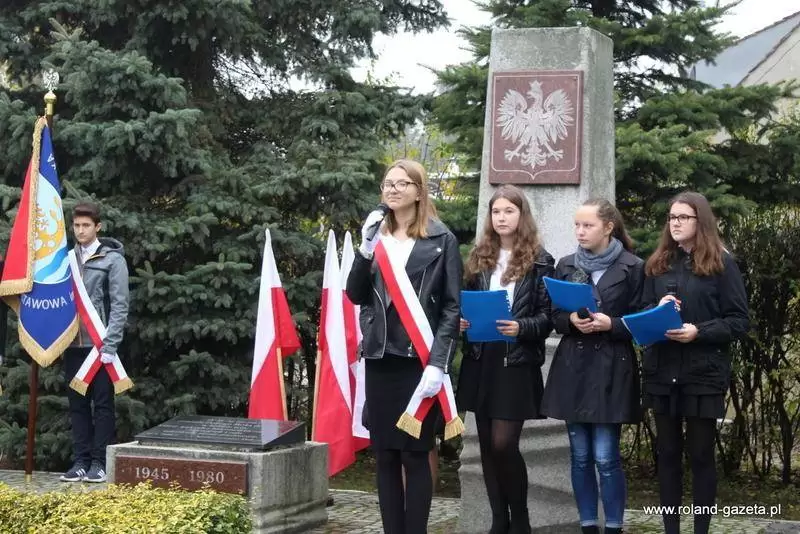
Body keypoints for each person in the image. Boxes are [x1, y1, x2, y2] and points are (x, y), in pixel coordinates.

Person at [346, 159, 462, 534]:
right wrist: (365, 249)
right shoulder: (376, 239)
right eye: (387, 184)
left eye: (401, 184)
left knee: (414, 454)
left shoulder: (441, 240)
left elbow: (451, 308)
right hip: (381, 359)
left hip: (418, 363)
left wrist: (438, 363)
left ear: (418, 191)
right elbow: (355, 294)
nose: (392, 190)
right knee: (385, 455)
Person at [641, 192, 748, 534]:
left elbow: (738, 321)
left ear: (700, 221)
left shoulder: (721, 263)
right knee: (668, 454)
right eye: (672, 217)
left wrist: (698, 332)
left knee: (701, 455)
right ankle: (670, 529)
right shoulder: (658, 263)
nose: (675, 223)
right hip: (663, 370)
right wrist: (657, 310)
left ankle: (701, 528)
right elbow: (641, 311)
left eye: (683, 217)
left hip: (703, 373)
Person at [541, 199, 643, 534]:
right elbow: (553, 315)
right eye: (577, 225)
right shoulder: (567, 265)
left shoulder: (633, 266)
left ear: (608, 227)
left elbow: (643, 318)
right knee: (581, 456)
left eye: (588, 225)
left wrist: (612, 324)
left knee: (605, 457)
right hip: (574, 366)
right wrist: (570, 319)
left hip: (611, 367)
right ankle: (587, 525)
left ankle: (613, 526)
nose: (580, 232)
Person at [457, 185, 555, 534]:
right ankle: (499, 520)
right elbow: (464, 303)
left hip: (516, 360)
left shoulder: (541, 260)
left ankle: (521, 519)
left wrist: (521, 326)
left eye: (508, 211)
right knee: (486, 446)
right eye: (496, 211)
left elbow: (548, 317)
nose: (501, 217)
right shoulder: (479, 255)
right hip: (481, 356)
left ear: (521, 215)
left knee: (503, 444)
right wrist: (463, 322)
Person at [60, 202, 130, 483]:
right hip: (72, 344)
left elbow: (120, 305)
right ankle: (81, 461)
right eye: (76, 225)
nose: (80, 230)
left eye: (86, 225)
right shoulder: (66, 259)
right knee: (77, 406)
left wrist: (110, 345)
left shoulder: (112, 260)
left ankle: (99, 463)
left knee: (102, 405)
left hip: (100, 346)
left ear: (97, 227)